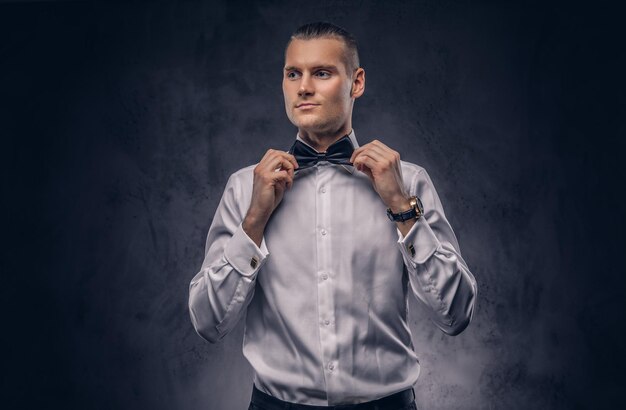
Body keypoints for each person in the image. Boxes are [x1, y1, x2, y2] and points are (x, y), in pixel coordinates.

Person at [188, 22, 477, 410]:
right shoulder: (245, 188)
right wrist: (254, 222)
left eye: (321, 73)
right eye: (294, 74)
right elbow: (207, 322)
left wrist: (402, 208)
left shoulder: (409, 181)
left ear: (356, 82)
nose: (303, 87)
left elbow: (456, 314)